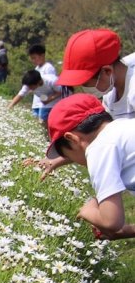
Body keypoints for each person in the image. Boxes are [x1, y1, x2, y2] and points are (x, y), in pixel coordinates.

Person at [30, 29, 135, 179]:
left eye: (85, 82)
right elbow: (97, 137)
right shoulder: (110, 95)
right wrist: (55, 160)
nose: (84, 88)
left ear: (106, 71)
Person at [46, 94, 135, 242]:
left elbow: (111, 222)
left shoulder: (98, 148)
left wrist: (88, 211)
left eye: (67, 154)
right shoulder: (124, 127)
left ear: (72, 139)